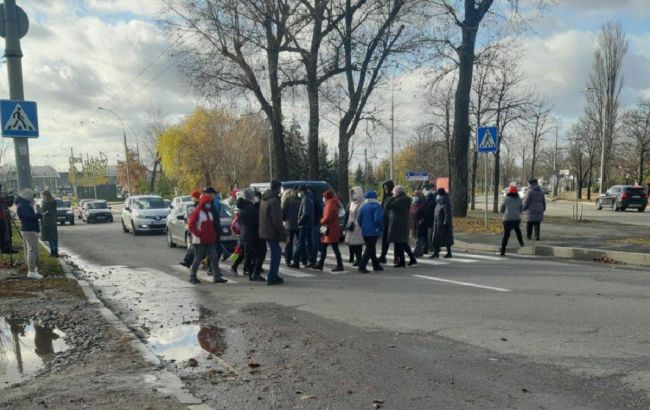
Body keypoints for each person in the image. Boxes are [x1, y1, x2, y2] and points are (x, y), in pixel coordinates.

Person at [187, 194, 227, 284]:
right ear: (203, 203)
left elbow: (211, 226)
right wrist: (199, 234)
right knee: (197, 259)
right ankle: (192, 276)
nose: (209, 204)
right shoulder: (197, 212)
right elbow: (191, 226)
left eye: (210, 203)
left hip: (210, 240)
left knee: (214, 257)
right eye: (207, 203)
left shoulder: (209, 213)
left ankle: (217, 277)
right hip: (199, 241)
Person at [259, 180, 288, 285]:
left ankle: (273, 275)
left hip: (265, 230)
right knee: (276, 254)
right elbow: (277, 221)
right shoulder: (274, 201)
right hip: (272, 232)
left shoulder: (264, 199)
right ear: (278, 188)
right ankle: (272, 276)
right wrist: (285, 234)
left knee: (275, 252)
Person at [238, 189, 265, 281]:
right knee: (261, 253)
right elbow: (256, 222)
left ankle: (250, 273)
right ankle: (256, 273)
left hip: (245, 234)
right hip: (252, 235)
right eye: (254, 196)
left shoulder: (243, 207)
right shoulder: (250, 208)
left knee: (249, 255)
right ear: (251, 197)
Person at [15, 189, 42, 279]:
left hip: (27, 229)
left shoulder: (22, 204)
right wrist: (39, 214)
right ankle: (31, 271)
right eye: (32, 196)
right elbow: (29, 217)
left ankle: (33, 269)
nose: (33, 198)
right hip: (30, 229)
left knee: (31, 250)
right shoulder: (24, 205)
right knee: (33, 250)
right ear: (28, 196)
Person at [388, 185, 416, 267]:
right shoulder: (405, 199)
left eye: (394, 192)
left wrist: (391, 198)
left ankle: (403, 261)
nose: (393, 193)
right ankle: (411, 258)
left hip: (398, 224)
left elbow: (388, 205)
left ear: (397, 192)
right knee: (403, 243)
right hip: (402, 223)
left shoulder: (400, 200)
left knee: (400, 243)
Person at [356, 191, 384, 273]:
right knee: (370, 248)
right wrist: (381, 228)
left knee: (371, 248)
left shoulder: (363, 206)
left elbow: (359, 219)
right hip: (373, 230)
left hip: (365, 230)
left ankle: (376, 265)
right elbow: (378, 219)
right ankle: (362, 266)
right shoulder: (376, 206)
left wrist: (363, 226)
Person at [317, 189, 343, 272]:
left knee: (331, 247)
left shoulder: (329, 205)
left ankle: (339, 265)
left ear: (327, 197)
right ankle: (321, 264)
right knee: (326, 246)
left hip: (328, 228)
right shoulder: (333, 203)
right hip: (331, 228)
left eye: (324, 197)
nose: (323, 198)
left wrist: (321, 220)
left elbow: (327, 218)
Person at [292, 185, 315, 268]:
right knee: (308, 243)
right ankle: (311, 260)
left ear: (303, 191)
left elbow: (305, 213)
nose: (298, 193)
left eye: (299, 191)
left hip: (304, 225)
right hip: (308, 224)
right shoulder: (309, 198)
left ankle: (296, 261)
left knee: (300, 243)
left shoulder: (305, 199)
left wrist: (299, 222)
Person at [500, 185, 525, 256]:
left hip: (507, 219)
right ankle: (522, 244)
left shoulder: (506, 199)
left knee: (506, 235)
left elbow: (502, 209)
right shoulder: (519, 199)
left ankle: (503, 251)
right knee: (517, 230)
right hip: (516, 219)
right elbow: (522, 209)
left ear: (509, 191)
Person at [180, 190, 201, 268]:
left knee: (195, 248)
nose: (191, 199)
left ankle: (189, 263)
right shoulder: (196, 205)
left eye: (192, 197)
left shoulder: (198, 206)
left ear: (196, 197)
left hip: (199, 230)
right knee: (195, 248)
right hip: (198, 230)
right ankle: (187, 262)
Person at [431, 188, 454, 259]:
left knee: (446, 239)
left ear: (440, 194)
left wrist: (445, 222)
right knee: (436, 239)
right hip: (437, 223)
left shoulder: (446, 202)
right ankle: (436, 253)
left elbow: (447, 213)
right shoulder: (439, 201)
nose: (437, 196)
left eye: (438, 194)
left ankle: (449, 253)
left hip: (443, 224)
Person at [345, 186, 365, 266]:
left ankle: (359, 259)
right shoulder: (352, 203)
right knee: (352, 244)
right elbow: (349, 215)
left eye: (355, 193)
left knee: (358, 244)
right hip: (351, 226)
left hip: (358, 227)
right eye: (353, 194)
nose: (354, 195)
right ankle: (357, 258)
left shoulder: (363, 203)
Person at [282, 189, 301, 266]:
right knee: (298, 243)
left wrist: (284, 219)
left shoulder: (287, 199)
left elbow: (284, 211)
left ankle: (288, 259)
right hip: (298, 224)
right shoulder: (300, 200)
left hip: (289, 224)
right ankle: (297, 259)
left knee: (289, 243)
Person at [378, 179, 395, 263]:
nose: (385, 189)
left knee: (396, 240)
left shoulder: (393, 196)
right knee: (385, 240)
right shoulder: (385, 196)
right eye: (384, 187)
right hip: (385, 221)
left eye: (386, 187)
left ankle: (397, 257)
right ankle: (383, 256)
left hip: (391, 221)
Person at [39, 191, 59, 257]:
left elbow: (43, 211)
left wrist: (38, 208)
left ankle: (52, 252)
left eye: (43, 195)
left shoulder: (45, 202)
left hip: (47, 221)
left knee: (50, 238)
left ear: (45, 195)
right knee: (54, 237)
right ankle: (56, 252)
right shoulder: (54, 201)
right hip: (53, 221)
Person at [410, 191, 428, 257]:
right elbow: (411, 213)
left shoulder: (423, 204)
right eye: (414, 196)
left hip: (420, 224)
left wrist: (421, 221)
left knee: (418, 239)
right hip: (413, 224)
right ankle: (420, 252)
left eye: (416, 196)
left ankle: (417, 251)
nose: (415, 197)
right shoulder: (413, 204)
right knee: (416, 238)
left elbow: (425, 214)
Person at [424, 183, 437, 255]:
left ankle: (430, 247)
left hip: (430, 218)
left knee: (430, 233)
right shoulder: (430, 196)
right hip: (429, 218)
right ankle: (429, 247)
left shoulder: (431, 196)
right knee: (429, 233)